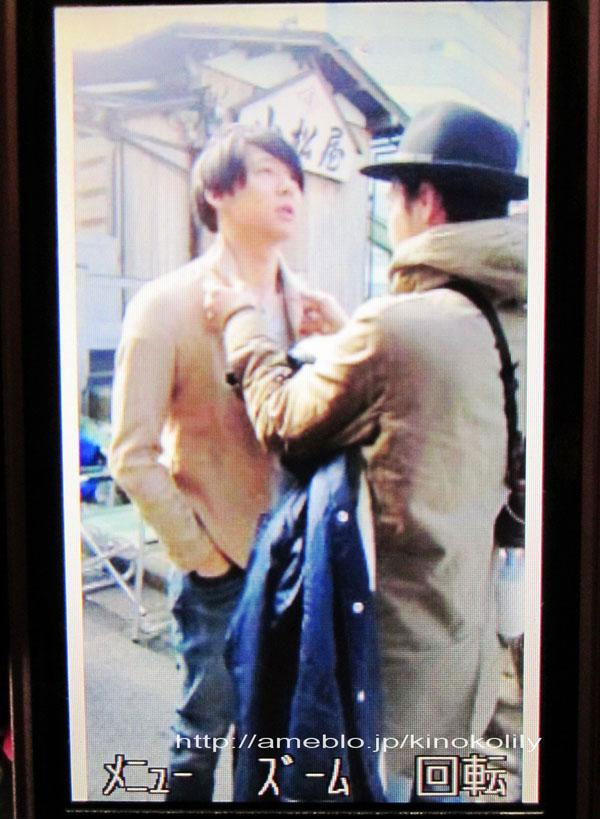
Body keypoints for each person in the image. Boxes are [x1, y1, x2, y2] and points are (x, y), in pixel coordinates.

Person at [204, 102, 528, 803]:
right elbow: (437, 403)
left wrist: (243, 325)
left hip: (385, 678)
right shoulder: (516, 318)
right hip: (463, 660)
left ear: (426, 200)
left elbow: (285, 421)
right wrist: (351, 333)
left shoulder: (397, 327)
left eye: (394, 195)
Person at [108, 124, 343, 801]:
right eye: (268, 173)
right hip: (222, 564)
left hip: (300, 561)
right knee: (201, 735)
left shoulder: (312, 308)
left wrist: (342, 334)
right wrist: (201, 556)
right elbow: (131, 454)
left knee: (276, 738)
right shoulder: (166, 304)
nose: (289, 188)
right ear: (216, 192)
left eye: (294, 177)